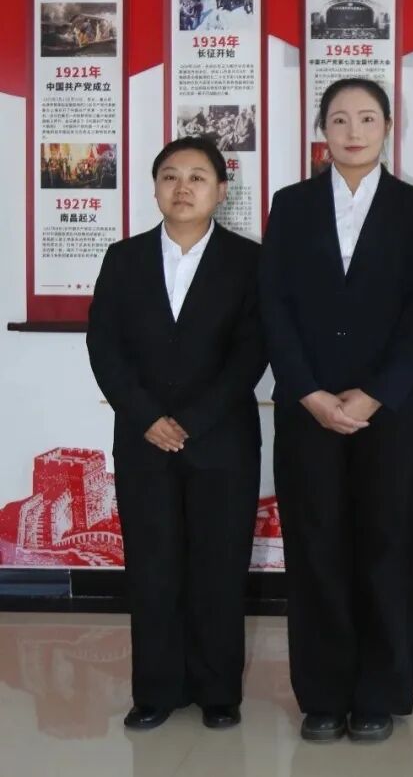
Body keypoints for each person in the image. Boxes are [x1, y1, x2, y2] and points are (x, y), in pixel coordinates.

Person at [259, 77, 413, 744]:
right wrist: (307, 391)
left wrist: (374, 392)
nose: (353, 131)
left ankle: (378, 692)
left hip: (388, 411)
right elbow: (273, 305)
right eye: (339, 119)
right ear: (322, 130)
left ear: (388, 127)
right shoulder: (292, 205)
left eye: (367, 118)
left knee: (388, 547)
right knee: (316, 550)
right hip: (306, 410)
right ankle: (322, 694)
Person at [86, 137, 265, 732]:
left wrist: (193, 420)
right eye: (170, 176)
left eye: (197, 176)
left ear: (221, 189)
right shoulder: (124, 258)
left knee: (219, 565)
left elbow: (251, 352)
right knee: (153, 566)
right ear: (155, 187)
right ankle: (155, 690)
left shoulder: (248, 260)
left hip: (222, 440)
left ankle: (219, 691)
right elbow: (104, 346)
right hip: (144, 440)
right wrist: (146, 417)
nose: (182, 187)